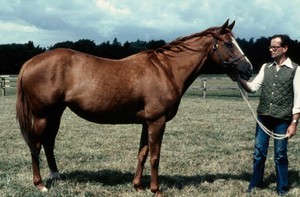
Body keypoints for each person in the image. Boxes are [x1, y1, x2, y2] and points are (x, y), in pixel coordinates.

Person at [238, 34, 300, 196]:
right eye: (270, 47)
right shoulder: (266, 67)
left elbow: (299, 99)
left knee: (280, 155)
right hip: (263, 116)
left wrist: (294, 123)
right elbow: (252, 88)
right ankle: (255, 183)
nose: (271, 49)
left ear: (284, 48)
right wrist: (238, 78)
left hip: (283, 119)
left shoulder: (296, 69)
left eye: (274, 47)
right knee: (259, 152)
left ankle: (282, 188)